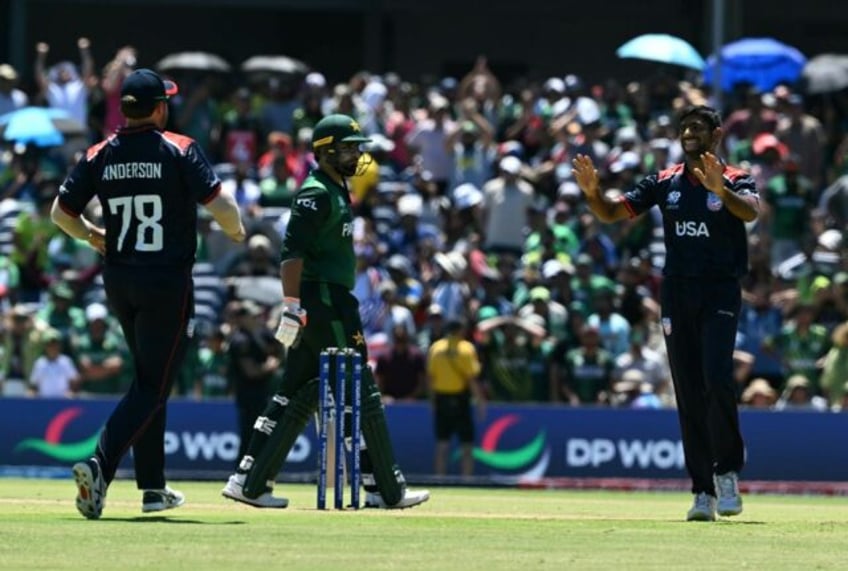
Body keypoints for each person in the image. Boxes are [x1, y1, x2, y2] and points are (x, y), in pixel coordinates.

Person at [51, 68, 246, 520]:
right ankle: (100, 465)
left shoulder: (100, 153)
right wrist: (235, 232)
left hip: (119, 280)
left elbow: (61, 214)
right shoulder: (178, 148)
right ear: (159, 107)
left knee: (147, 378)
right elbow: (222, 206)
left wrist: (91, 235)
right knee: (154, 385)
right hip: (166, 281)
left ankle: (153, 487)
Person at [222, 113, 430, 509]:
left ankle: (248, 480)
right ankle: (385, 488)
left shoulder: (336, 190)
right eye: (349, 148)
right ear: (327, 151)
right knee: (359, 388)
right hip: (325, 301)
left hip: (327, 299)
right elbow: (291, 253)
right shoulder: (316, 193)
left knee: (295, 390)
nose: (357, 155)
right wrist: (291, 306)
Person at [572, 105, 759, 522]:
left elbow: (749, 212)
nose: (689, 132)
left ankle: (727, 471)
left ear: (716, 135)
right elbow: (611, 212)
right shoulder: (663, 181)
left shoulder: (735, 178)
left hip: (720, 291)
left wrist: (720, 191)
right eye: (684, 127)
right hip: (677, 293)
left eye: (697, 127)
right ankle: (702, 491)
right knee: (688, 391)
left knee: (716, 377)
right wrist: (591, 194)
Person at [427, 318, 484, 477]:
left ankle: (439, 479)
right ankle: (466, 480)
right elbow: (472, 379)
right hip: (461, 401)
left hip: (441, 400)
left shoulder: (436, 348)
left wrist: (432, 403)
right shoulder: (466, 349)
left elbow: (431, 378)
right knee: (467, 445)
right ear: (460, 330)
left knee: (442, 444)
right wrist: (480, 401)